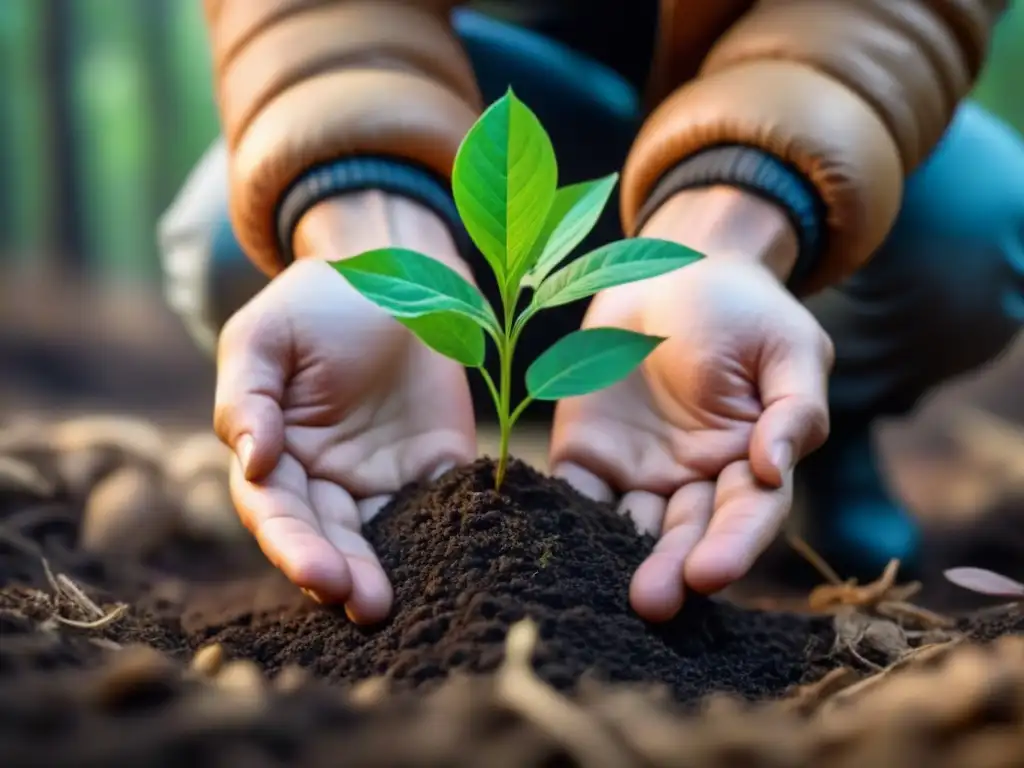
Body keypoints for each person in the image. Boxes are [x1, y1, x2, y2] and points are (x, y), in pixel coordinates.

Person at [160, 1, 1023, 625]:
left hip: (806, 90)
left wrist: (727, 226)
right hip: (466, 77)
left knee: (980, 224)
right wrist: (361, 219)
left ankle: (815, 433)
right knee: (228, 236)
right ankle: (420, 402)